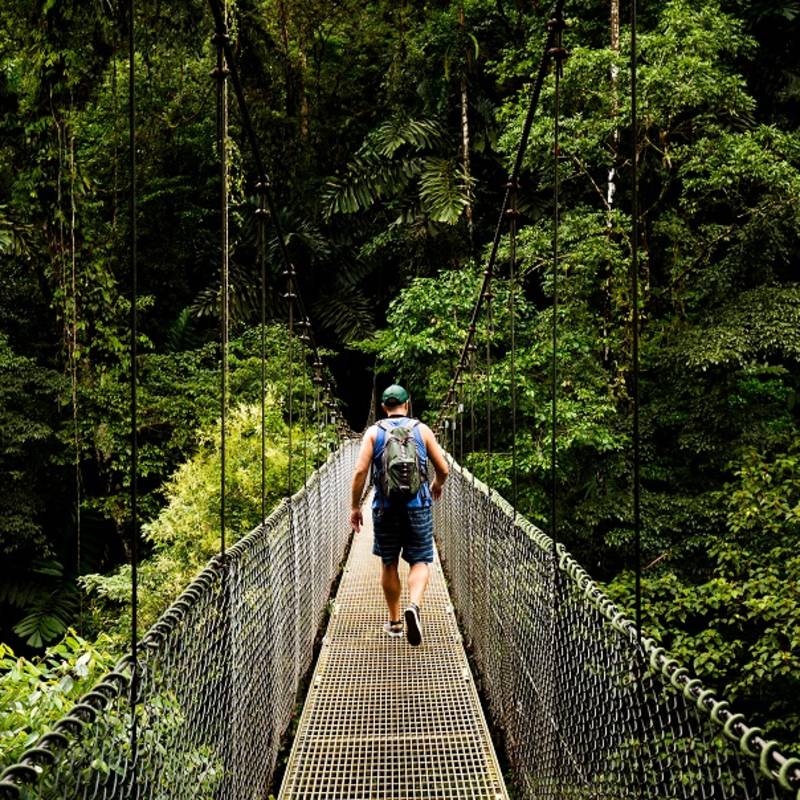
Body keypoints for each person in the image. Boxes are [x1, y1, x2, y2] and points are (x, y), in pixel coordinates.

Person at [350, 384, 449, 646]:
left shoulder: (373, 433)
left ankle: (394, 622)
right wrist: (436, 484)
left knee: (389, 562)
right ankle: (414, 606)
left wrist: (355, 506)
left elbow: (360, 472)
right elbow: (444, 469)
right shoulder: (422, 430)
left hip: (385, 508)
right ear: (407, 404)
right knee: (420, 561)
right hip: (418, 507)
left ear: (384, 407)